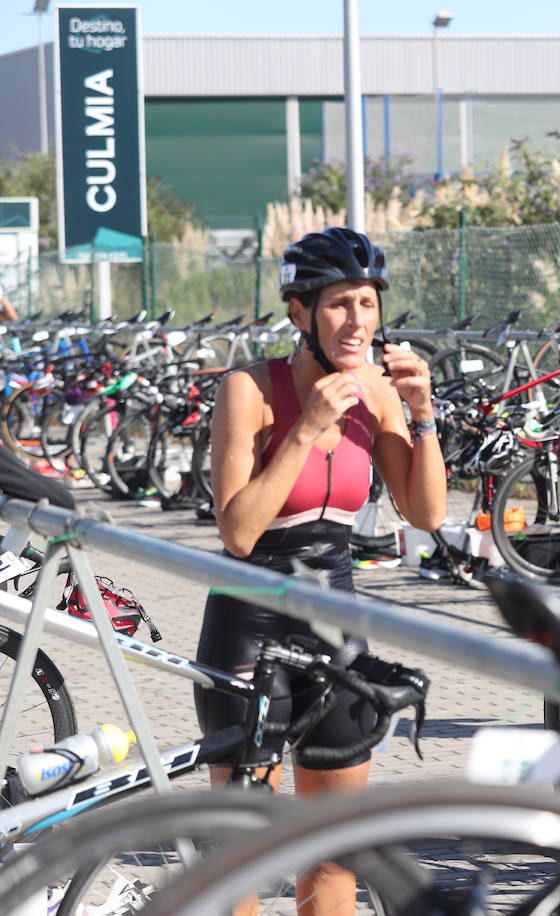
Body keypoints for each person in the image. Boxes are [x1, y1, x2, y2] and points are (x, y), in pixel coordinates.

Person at [197, 227, 445, 915]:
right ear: (299, 312)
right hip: (249, 617)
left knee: (334, 848)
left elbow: (423, 513)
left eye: (367, 304)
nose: (358, 321)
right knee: (242, 851)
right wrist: (304, 427)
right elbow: (239, 532)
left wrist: (423, 415)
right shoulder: (250, 389)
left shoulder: (380, 393)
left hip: (335, 619)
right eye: (339, 304)